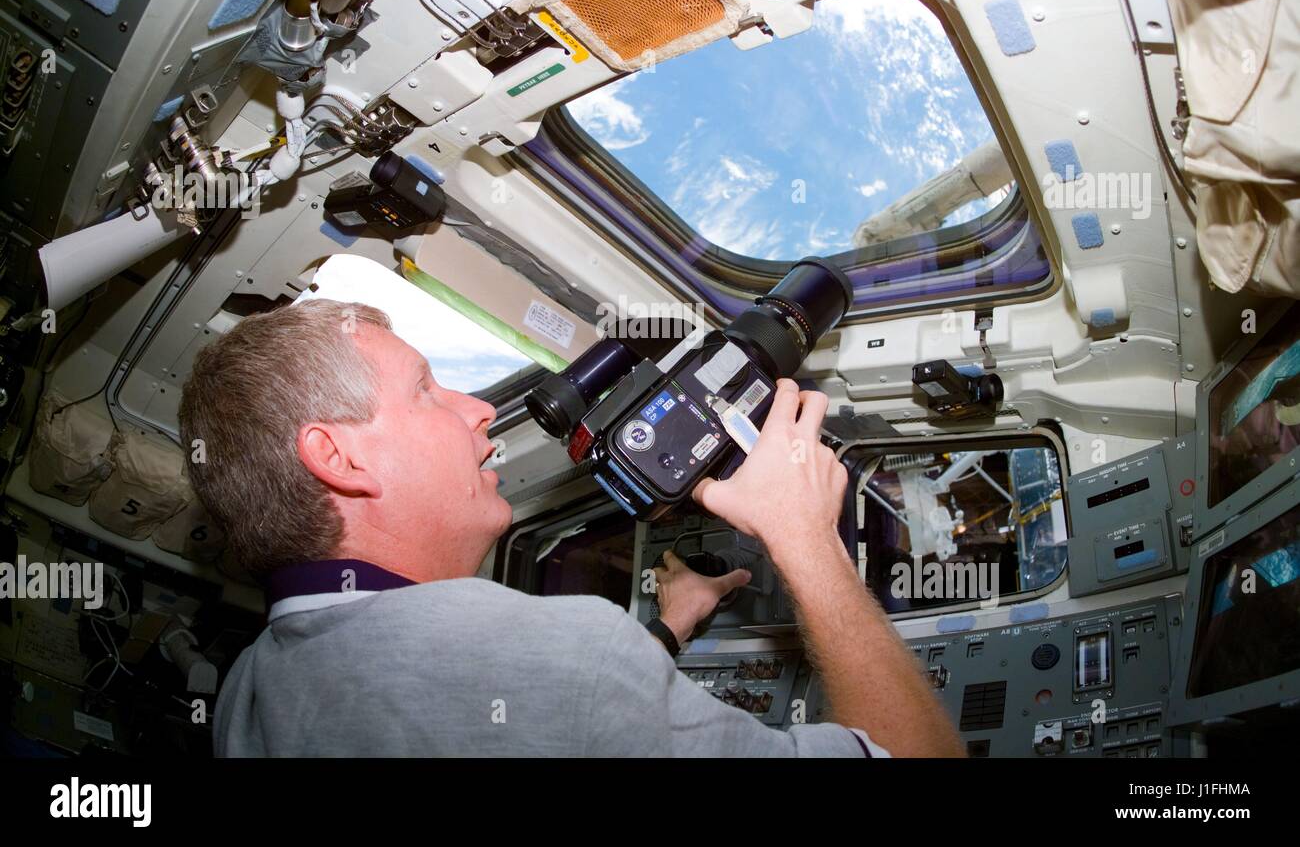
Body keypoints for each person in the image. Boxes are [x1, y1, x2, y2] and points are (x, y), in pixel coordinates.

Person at [180, 299, 963, 756]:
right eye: (428, 389)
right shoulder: (549, 658)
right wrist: (805, 538)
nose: (480, 407)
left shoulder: (254, 687)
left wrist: (666, 630)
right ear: (338, 457)